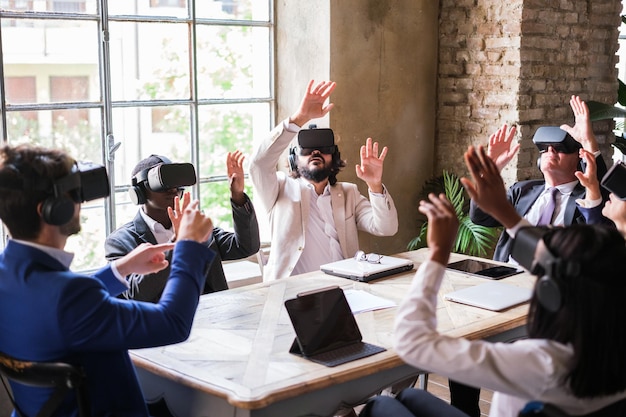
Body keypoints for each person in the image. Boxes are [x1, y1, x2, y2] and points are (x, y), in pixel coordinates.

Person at [358, 148, 626, 417]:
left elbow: (411, 343)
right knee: (410, 396)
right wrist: (504, 212)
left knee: (381, 406)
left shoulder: (537, 362)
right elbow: (551, 256)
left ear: (550, 293)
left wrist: (438, 254)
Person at [0, 143, 216, 416]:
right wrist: (189, 245)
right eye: (74, 195)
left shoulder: (9, 275)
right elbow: (172, 324)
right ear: (53, 209)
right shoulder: (70, 296)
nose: (80, 202)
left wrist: (120, 269)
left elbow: (59, 307)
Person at [249, 79, 398, 281]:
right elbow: (259, 163)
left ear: (334, 159)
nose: (315, 152)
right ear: (293, 159)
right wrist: (299, 118)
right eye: (307, 149)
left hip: (343, 289)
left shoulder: (348, 193)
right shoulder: (278, 189)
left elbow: (386, 228)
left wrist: (374, 185)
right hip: (292, 293)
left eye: (323, 150)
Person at [105, 151, 260, 301]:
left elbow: (246, 246)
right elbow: (136, 294)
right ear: (140, 192)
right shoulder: (120, 242)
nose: (173, 189)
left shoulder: (195, 227)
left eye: (175, 182)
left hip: (213, 319)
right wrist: (179, 241)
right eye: (162, 183)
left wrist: (238, 196)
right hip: (165, 325)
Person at [470, 95, 608, 263]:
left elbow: (600, 201)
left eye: (560, 148)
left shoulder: (586, 199)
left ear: (579, 158)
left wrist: (588, 142)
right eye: (544, 149)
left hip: (555, 281)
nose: (550, 152)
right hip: (507, 276)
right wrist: (491, 170)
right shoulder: (522, 190)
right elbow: (480, 217)